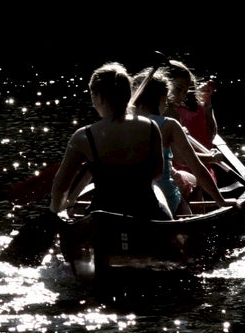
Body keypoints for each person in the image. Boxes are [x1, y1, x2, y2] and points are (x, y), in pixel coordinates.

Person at [49, 62, 172, 221]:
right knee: (157, 191)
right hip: (146, 213)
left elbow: (60, 186)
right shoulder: (150, 127)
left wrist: (57, 209)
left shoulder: (83, 136)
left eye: (92, 95)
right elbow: (157, 172)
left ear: (98, 97)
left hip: (104, 219)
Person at [129, 67, 233, 217]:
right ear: (163, 97)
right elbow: (196, 167)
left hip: (128, 195)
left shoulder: (120, 123)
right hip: (165, 194)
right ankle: (196, 224)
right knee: (189, 183)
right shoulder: (169, 124)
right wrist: (221, 201)